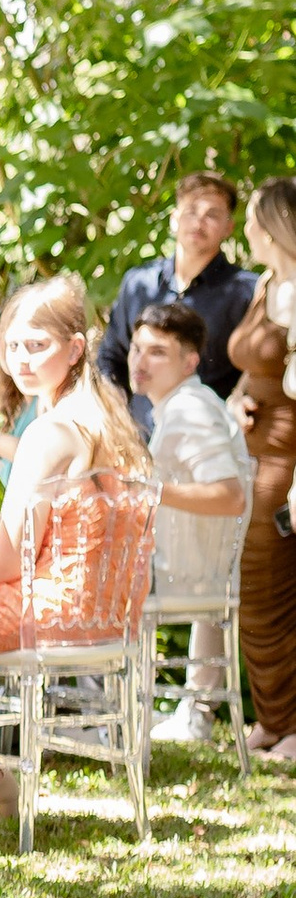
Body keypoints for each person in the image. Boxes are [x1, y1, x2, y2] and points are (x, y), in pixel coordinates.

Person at [0, 276, 151, 816]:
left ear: (74, 349)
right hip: (106, 617)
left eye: (36, 345)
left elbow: (2, 560)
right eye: (12, 344)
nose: (20, 358)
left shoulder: (50, 433)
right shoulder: (107, 421)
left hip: (49, 615)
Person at [130, 299, 254, 750]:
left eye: (157, 352)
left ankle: (102, 719)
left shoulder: (190, 410)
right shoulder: (186, 404)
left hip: (180, 579)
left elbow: (229, 495)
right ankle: (186, 710)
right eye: (137, 349)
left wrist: (145, 493)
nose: (141, 362)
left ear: (190, 361)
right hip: (192, 574)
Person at [226, 178, 296, 763]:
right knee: (252, 592)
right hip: (252, 453)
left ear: (273, 223)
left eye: (251, 218)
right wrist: (239, 397)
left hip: (285, 461)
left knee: (274, 588)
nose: (245, 229)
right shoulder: (266, 286)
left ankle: (291, 722)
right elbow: (259, 366)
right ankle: (272, 718)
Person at [97, 171, 253, 414]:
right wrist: (114, 407)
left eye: (211, 214)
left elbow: (255, 370)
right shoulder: (138, 282)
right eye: (191, 211)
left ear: (229, 227)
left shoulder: (246, 292)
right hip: (135, 435)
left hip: (205, 438)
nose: (198, 223)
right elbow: (112, 355)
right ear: (174, 219)